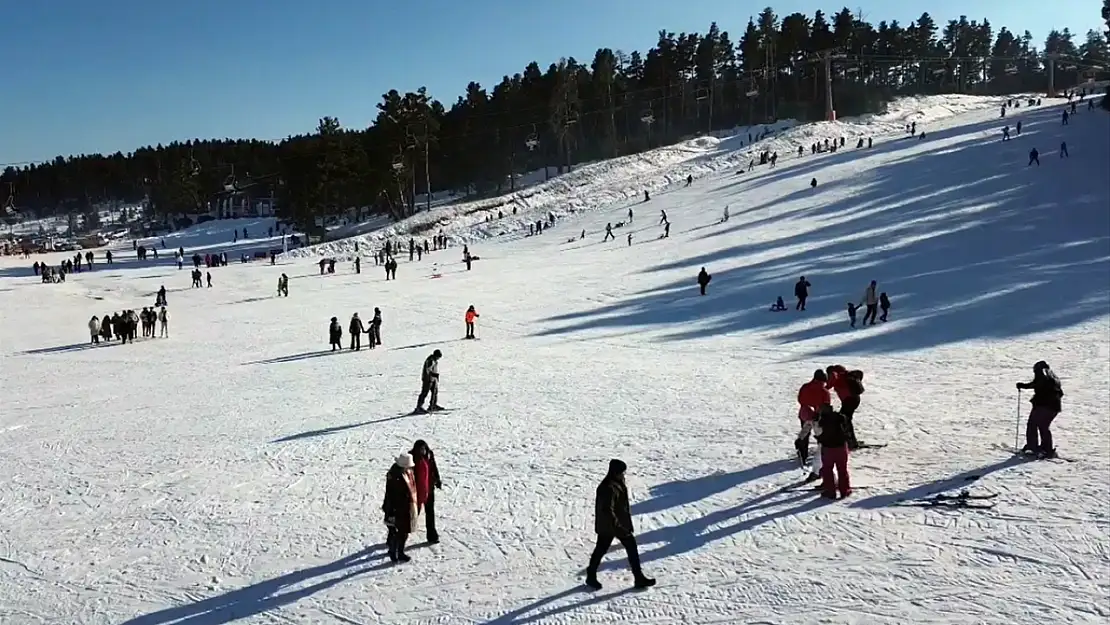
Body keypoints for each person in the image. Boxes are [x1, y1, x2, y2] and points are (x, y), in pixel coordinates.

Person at [585, 459, 656, 591]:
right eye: (621, 472)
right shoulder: (608, 487)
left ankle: (591, 574)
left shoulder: (615, 483)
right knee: (626, 547)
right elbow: (607, 510)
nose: (623, 475)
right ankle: (638, 577)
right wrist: (618, 526)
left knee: (601, 549)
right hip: (612, 526)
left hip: (613, 525)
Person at [1017, 361, 1064, 459]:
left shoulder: (1042, 375)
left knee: (1032, 424)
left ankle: (1032, 447)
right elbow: (1060, 393)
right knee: (1043, 426)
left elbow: (1037, 384)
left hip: (1043, 406)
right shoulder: (1053, 377)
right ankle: (1047, 449)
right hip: (1054, 407)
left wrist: (1024, 386)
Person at [383, 453, 418, 563]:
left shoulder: (406, 472)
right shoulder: (395, 476)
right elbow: (391, 495)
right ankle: (393, 552)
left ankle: (400, 552)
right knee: (397, 532)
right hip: (396, 509)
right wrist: (392, 511)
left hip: (405, 507)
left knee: (404, 532)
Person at [796, 370, 830, 481]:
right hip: (818, 418)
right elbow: (826, 405)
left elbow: (800, 399)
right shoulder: (824, 391)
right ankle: (820, 458)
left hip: (805, 415)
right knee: (821, 438)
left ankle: (803, 454)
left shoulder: (805, 387)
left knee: (804, 434)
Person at [815, 404, 852, 499]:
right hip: (841, 447)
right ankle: (844, 490)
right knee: (842, 469)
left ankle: (830, 491)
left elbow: (819, 433)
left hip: (828, 448)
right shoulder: (840, 418)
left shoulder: (822, 421)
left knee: (827, 470)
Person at [410, 440, 442, 543]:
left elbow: (433, 467)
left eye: (423, 449)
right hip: (416, 491)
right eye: (420, 449)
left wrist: (437, 479)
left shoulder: (429, 455)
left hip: (429, 489)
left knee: (430, 513)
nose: (422, 451)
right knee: (413, 513)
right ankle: (399, 535)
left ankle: (432, 535)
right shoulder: (411, 457)